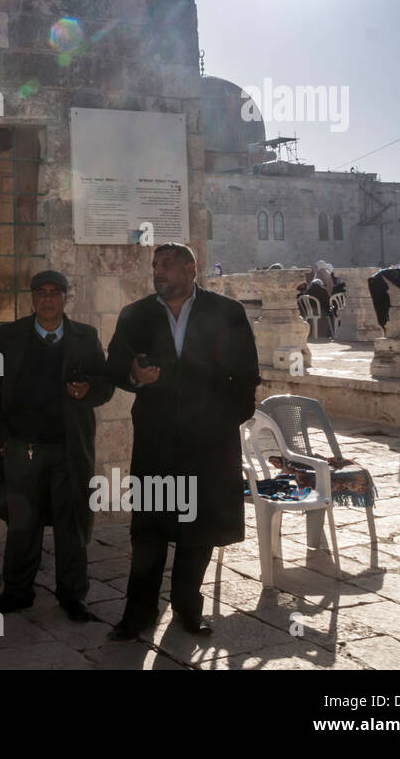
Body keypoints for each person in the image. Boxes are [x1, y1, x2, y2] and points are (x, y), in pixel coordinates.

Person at [104, 243, 260, 640]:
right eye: (156, 265)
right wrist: (137, 376)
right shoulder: (136, 314)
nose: (159, 271)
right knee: (149, 530)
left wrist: (226, 420)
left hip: (209, 441)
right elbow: (115, 365)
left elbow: (246, 375)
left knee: (199, 528)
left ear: (192, 269)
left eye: (168, 265)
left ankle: (188, 608)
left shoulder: (226, 312)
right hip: (157, 440)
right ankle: (138, 613)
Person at [0, 270, 114, 617]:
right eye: (41, 292)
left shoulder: (85, 337)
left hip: (69, 448)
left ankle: (73, 595)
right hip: (22, 448)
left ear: (65, 297)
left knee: (73, 525)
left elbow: (105, 384)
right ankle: (17, 590)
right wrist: (0, 440)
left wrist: (89, 390)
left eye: (55, 292)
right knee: (23, 524)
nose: (48, 298)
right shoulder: (8, 337)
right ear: (32, 297)